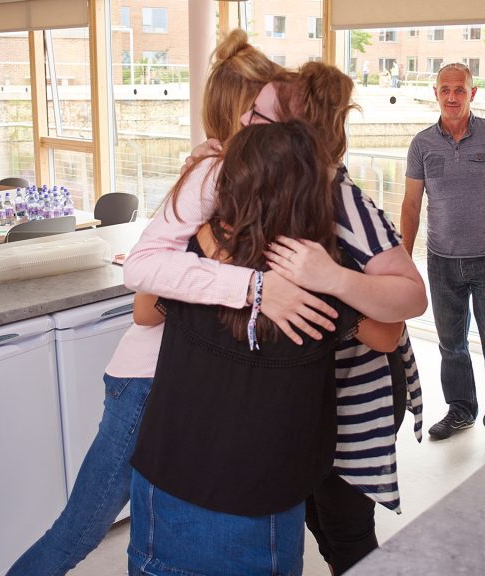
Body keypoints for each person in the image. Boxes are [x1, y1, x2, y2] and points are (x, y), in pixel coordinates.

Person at [127, 61, 427, 574]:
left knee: (343, 530)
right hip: (283, 431)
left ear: (294, 139)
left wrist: (327, 279)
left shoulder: (342, 205)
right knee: (316, 517)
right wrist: (248, 277)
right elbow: (148, 287)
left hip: (349, 404)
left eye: (258, 116)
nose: (242, 122)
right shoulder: (230, 227)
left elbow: (401, 312)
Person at [4, 29, 282, 576]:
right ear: (244, 116)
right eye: (268, 110)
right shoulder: (210, 178)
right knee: (78, 533)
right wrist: (223, 261)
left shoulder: (242, 177)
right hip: (146, 384)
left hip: (179, 382)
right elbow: (147, 308)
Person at [402, 62, 485, 450]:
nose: (453, 96)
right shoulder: (421, 144)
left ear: (473, 93)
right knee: (450, 343)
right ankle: (461, 410)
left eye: (460, 89)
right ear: (436, 93)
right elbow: (410, 206)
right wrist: (402, 261)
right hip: (442, 261)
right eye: (446, 89)